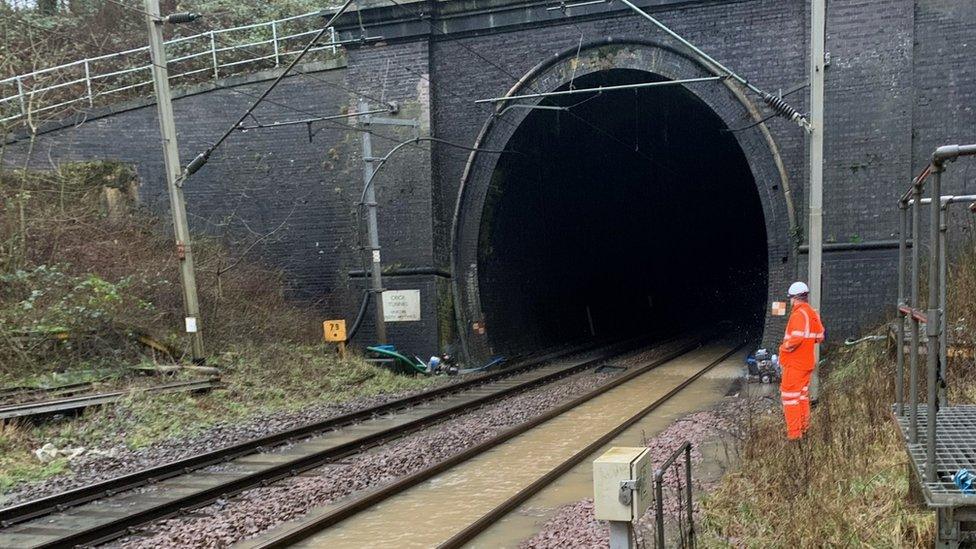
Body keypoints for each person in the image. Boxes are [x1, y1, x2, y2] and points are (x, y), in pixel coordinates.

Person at [779, 281, 824, 440]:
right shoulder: (812, 314)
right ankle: (804, 429)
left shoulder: (798, 314)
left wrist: (784, 348)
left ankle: (794, 434)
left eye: (790, 299)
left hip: (795, 364)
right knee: (801, 396)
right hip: (806, 363)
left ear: (794, 298)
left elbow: (795, 339)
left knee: (789, 397)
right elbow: (820, 337)